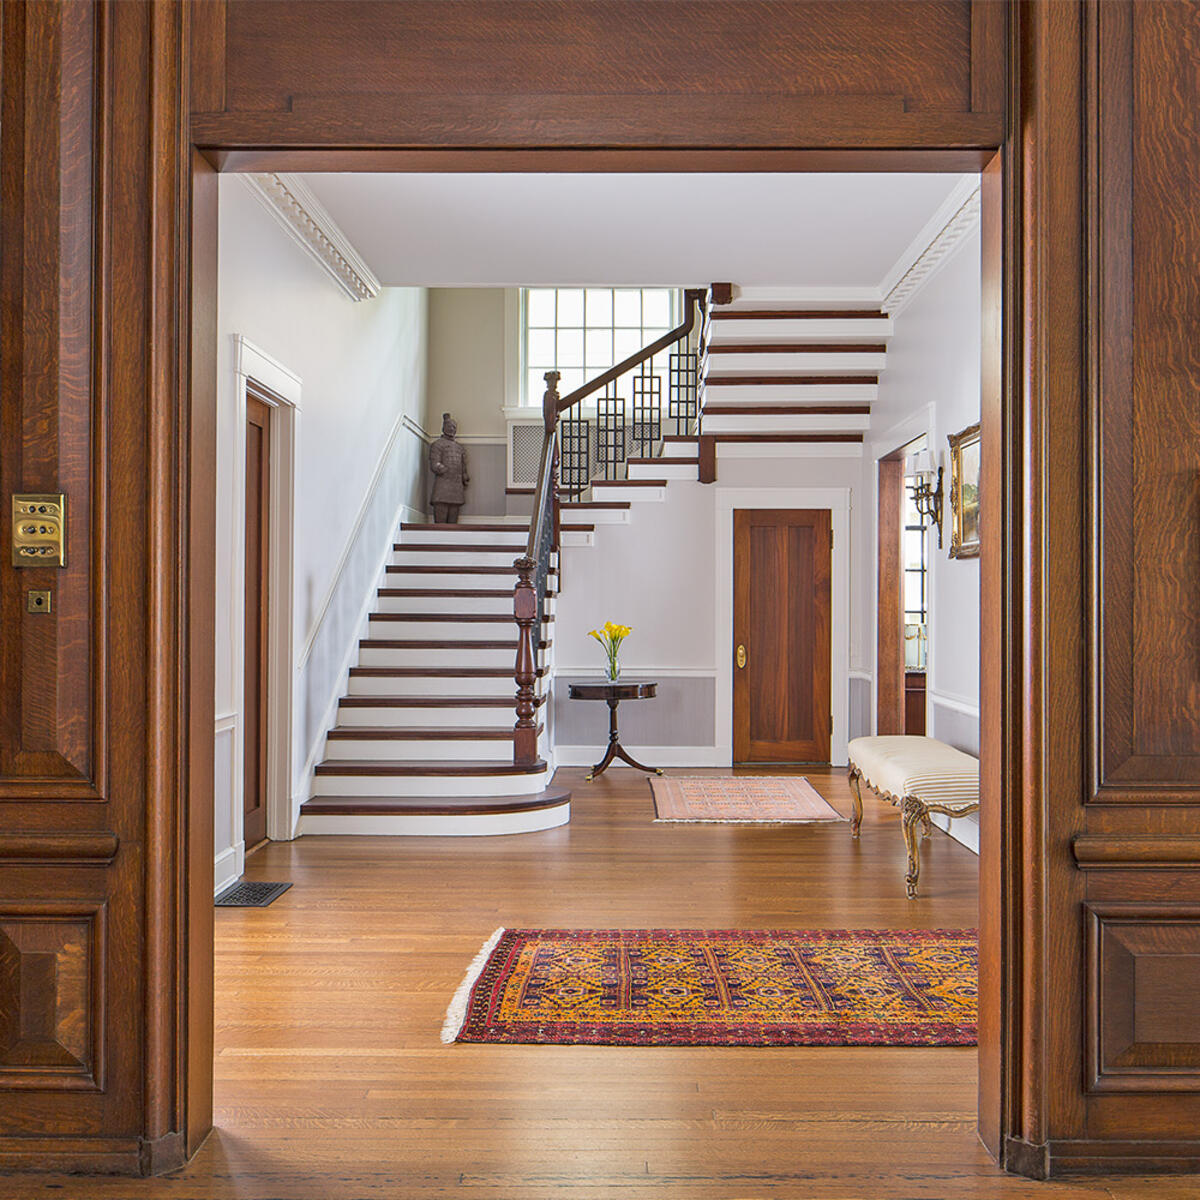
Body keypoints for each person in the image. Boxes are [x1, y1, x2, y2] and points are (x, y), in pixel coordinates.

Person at [429, 412, 469, 524]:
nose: (452, 429)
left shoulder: (459, 448)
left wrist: (464, 476)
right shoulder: (437, 444)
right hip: (443, 484)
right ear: (443, 428)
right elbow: (434, 463)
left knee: (453, 524)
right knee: (440, 522)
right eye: (449, 426)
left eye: (454, 427)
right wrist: (442, 468)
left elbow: (463, 465)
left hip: (456, 485)